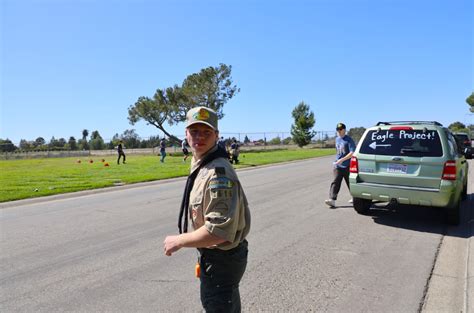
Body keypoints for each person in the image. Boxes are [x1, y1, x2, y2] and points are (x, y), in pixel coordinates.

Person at [163, 106, 251, 313]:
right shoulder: (203, 164)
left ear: (216, 136)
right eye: (194, 131)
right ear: (185, 134)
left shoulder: (217, 173)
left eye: (206, 132)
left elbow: (218, 231)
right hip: (219, 258)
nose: (199, 137)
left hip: (221, 260)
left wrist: (178, 240)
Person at [325, 123, 356, 208]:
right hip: (338, 166)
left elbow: (352, 152)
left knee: (350, 183)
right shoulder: (337, 139)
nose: (339, 131)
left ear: (344, 130)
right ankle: (332, 200)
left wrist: (342, 160)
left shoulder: (349, 140)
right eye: (337, 129)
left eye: (340, 129)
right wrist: (337, 161)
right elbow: (338, 152)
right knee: (335, 182)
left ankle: (355, 198)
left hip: (347, 166)